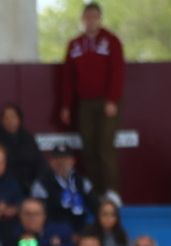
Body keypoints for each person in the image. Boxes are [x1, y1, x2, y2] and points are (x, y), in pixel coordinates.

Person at [59, 3, 125, 200]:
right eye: (87, 16)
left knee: (105, 147)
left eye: (94, 16)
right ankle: (96, 193)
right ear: (83, 19)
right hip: (84, 103)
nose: (91, 20)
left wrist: (112, 99)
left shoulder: (111, 41)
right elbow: (68, 78)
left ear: (100, 18)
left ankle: (112, 192)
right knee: (88, 148)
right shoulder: (74, 45)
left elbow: (118, 72)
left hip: (106, 102)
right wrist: (66, 105)